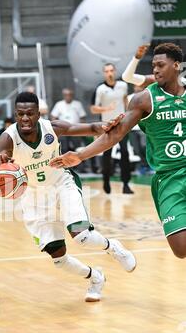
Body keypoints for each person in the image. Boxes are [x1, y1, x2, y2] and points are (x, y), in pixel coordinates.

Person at [0, 92, 136, 302]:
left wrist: (107, 123)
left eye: (30, 113)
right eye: (20, 114)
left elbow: (91, 128)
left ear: (38, 114)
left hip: (61, 183)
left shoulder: (52, 128)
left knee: (82, 236)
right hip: (34, 196)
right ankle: (95, 277)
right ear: (16, 115)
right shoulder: (7, 138)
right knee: (59, 259)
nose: (25, 118)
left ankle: (114, 248)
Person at [51, 43, 186, 260]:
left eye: (161, 65)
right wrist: (80, 155)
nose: (156, 70)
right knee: (181, 249)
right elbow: (114, 135)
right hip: (169, 178)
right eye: (153, 66)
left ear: (177, 65)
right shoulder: (143, 99)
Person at [90, 63, 133, 194]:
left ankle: (126, 184)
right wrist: (106, 109)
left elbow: (126, 102)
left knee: (125, 153)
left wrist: (129, 115)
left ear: (115, 72)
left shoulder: (123, 86)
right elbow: (93, 108)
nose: (109, 73)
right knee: (107, 155)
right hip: (107, 126)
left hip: (122, 125)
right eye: (107, 71)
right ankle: (106, 181)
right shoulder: (100, 88)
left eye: (111, 70)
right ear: (104, 73)